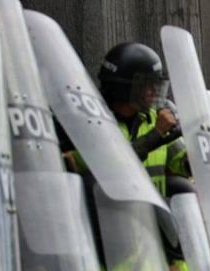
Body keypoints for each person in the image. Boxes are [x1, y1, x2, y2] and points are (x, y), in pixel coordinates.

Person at [69, 42, 187, 195]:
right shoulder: (95, 122)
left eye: (155, 85)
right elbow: (112, 165)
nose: (154, 92)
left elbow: (180, 159)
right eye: (147, 86)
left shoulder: (154, 117)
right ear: (125, 87)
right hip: (112, 215)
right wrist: (155, 135)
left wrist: (194, 159)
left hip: (156, 215)